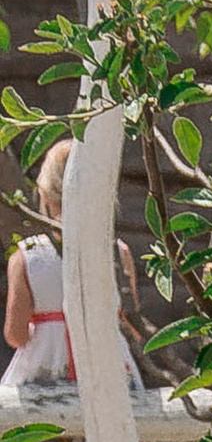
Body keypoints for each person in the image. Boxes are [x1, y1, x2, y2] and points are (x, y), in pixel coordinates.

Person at [3, 139, 142, 394]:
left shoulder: (26, 256)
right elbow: (134, 326)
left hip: (44, 375)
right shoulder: (118, 252)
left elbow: (16, 335)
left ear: (44, 194)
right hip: (109, 374)